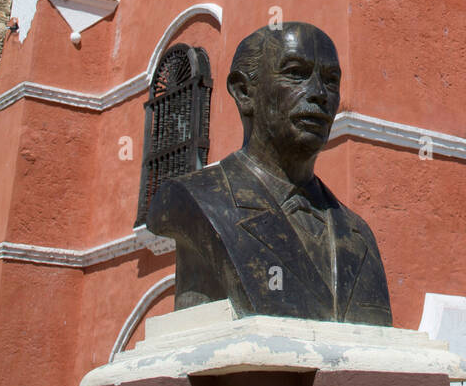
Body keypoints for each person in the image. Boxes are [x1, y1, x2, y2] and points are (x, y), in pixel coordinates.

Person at [147, 22, 393, 326]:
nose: (319, 93)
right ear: (244, 91)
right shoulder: (197, 199)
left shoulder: (358, 234)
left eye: (331, 80)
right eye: (295, 73)